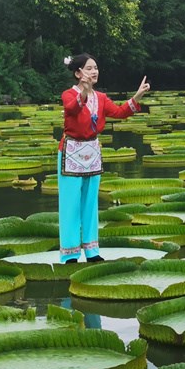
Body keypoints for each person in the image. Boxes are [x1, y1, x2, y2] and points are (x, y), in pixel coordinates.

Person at [57, 53, 150, 264]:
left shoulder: (101, 98)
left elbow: (120, 112)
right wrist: (85, 93)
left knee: (90, 202)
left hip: (91, 152)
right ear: (78, 73)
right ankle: (70, 254)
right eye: (89, 68)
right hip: (71, 151)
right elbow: (72, 109)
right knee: (70, 204)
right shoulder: (68, 94)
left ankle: (91, 251)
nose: (94, 72)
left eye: (96, 68)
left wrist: (137, 96)